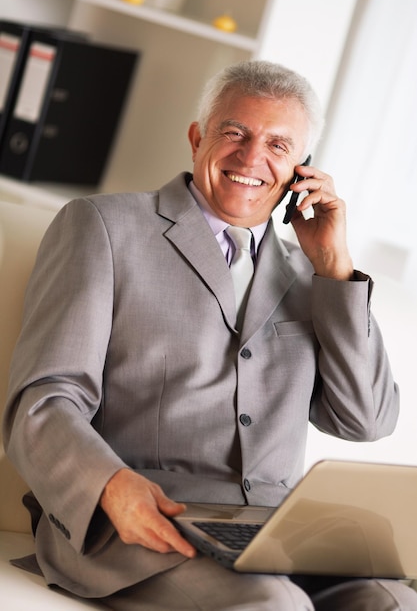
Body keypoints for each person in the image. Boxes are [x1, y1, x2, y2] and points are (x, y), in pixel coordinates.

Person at [3, 60, 416, 610]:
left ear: (301, 169)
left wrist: (335, 269)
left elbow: (364, 420)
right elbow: (44, 399)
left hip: (274, 528)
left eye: (278, 145)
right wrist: (109, 485)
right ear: (198, 138)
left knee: (391, 601)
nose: (252, 158)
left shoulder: (312, 274)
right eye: (235, 133)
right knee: (276, 604)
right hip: (138, 520)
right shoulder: (103, 228)